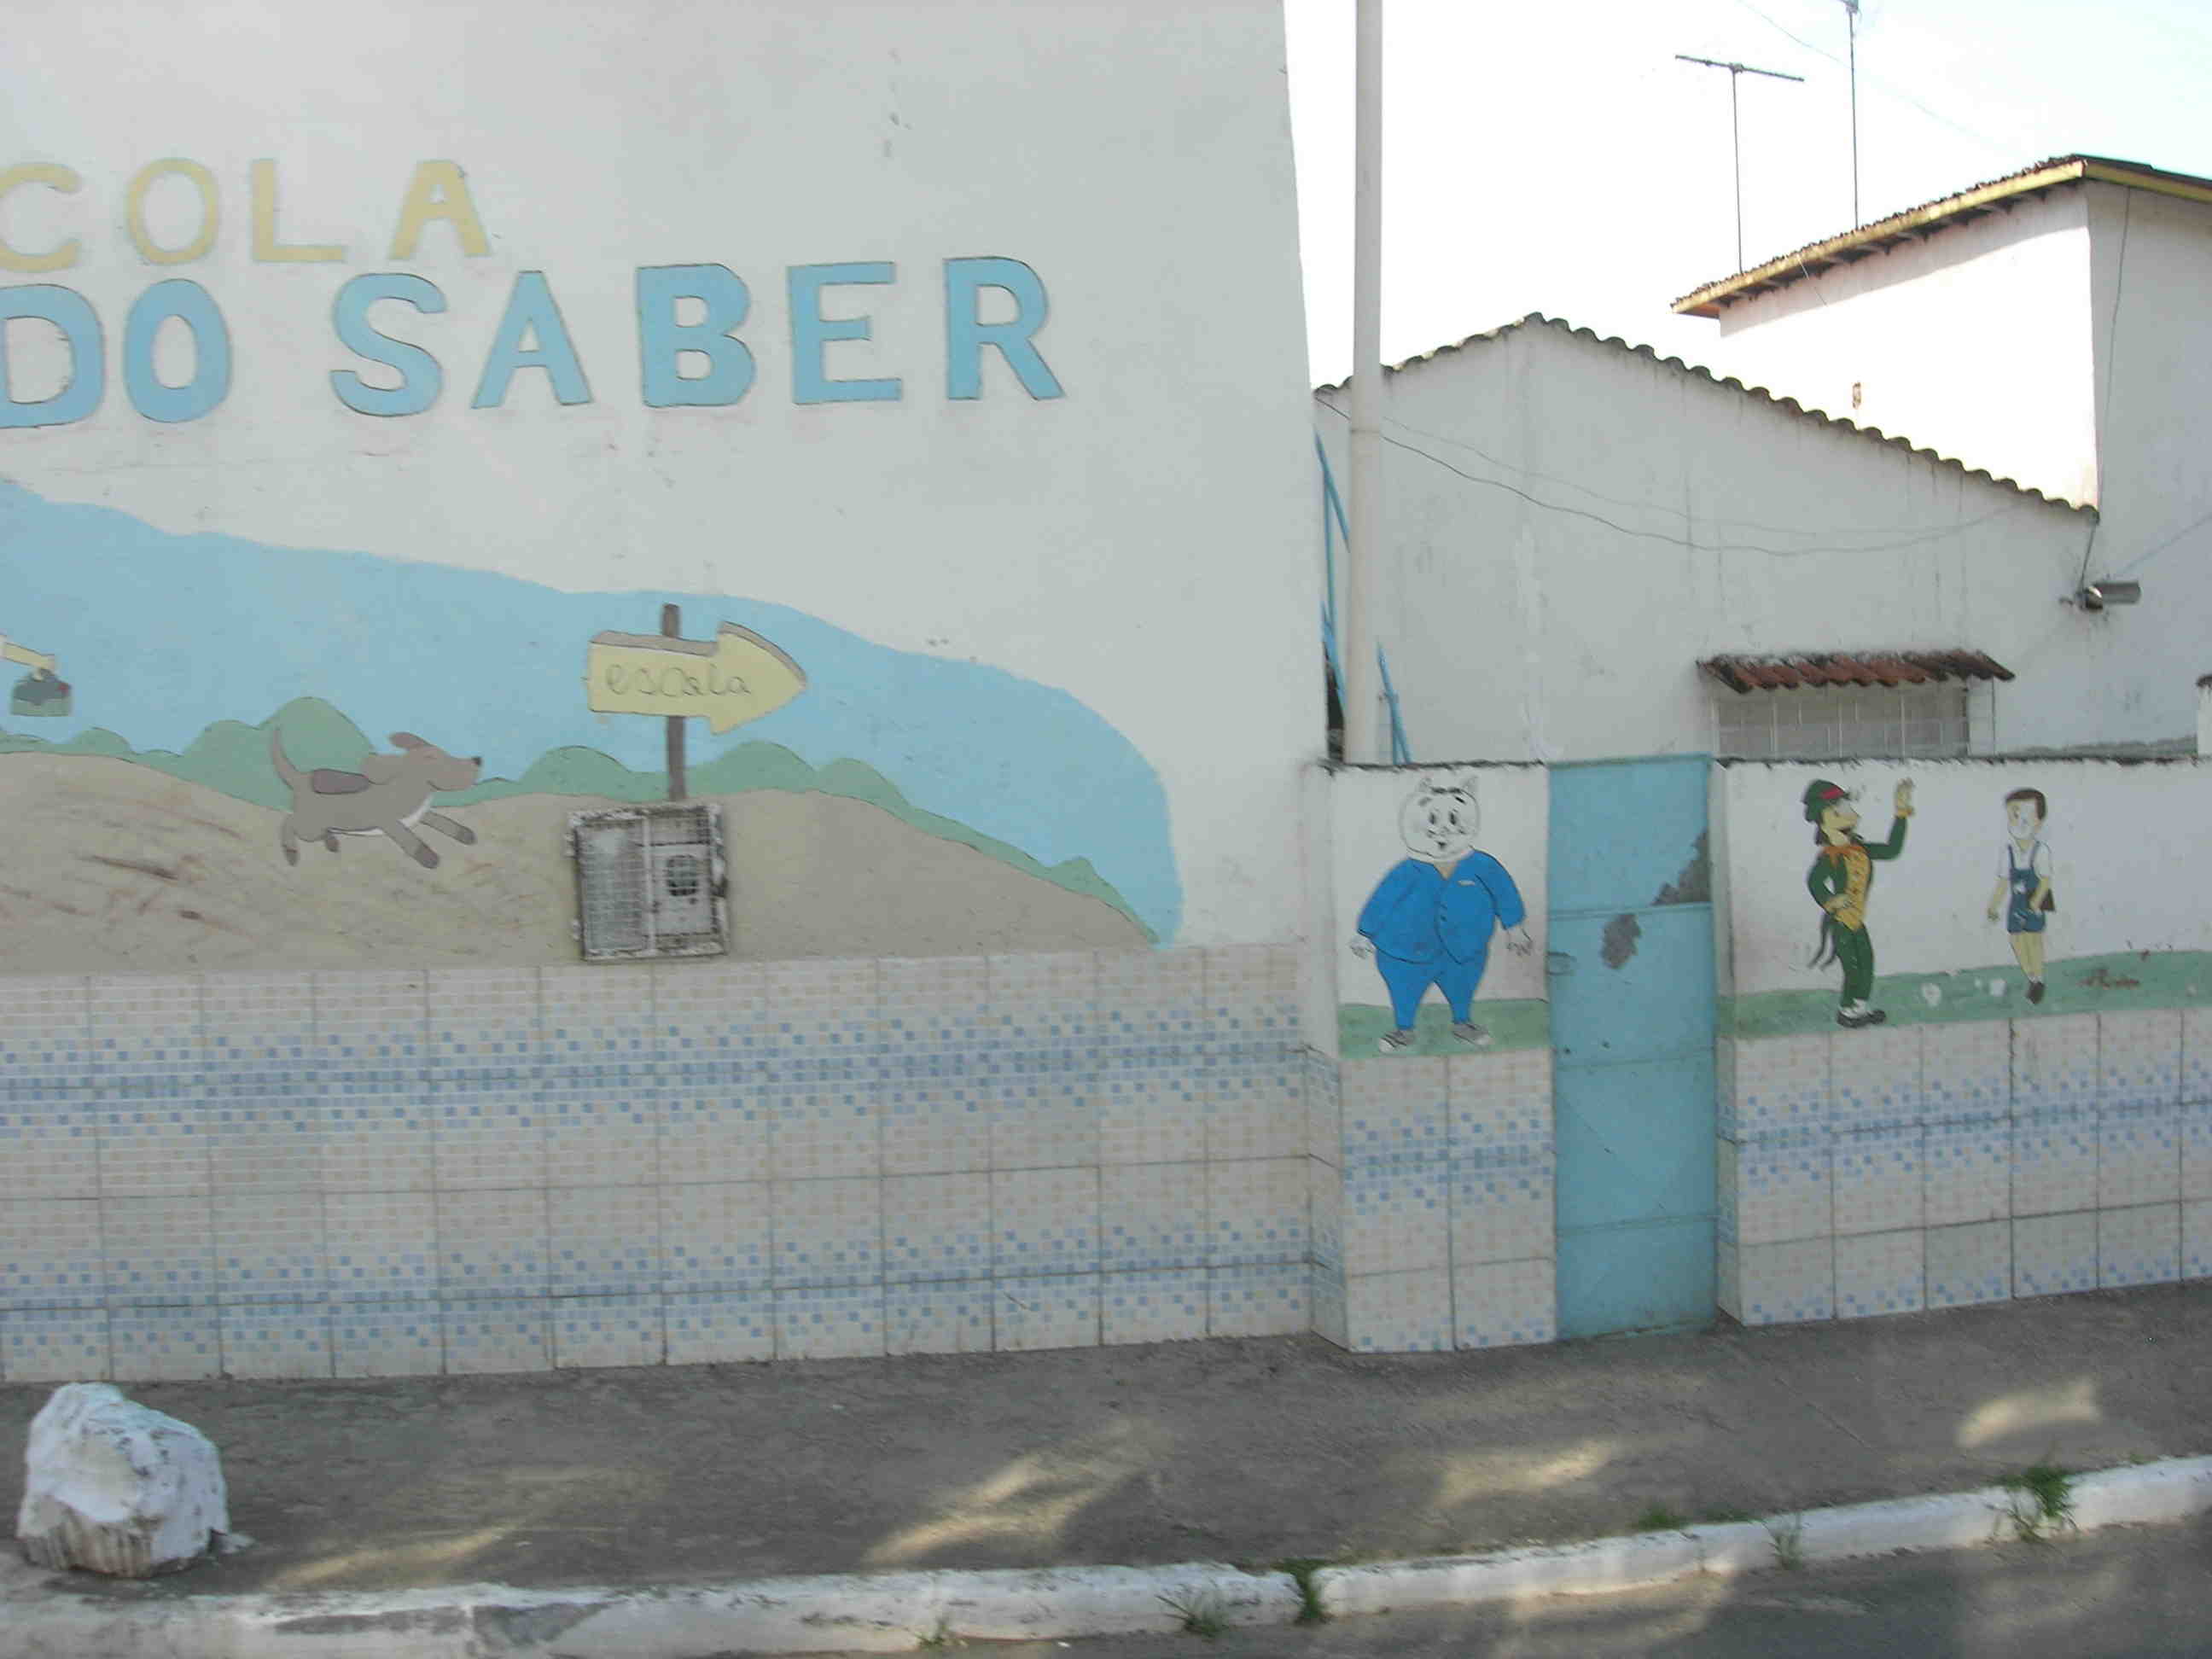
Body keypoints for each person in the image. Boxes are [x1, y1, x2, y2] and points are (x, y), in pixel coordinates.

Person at [1353, 775, 1533, 1053]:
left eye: (1453, 821)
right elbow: (1382, 900)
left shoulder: (1482, 865)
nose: (1443, 831)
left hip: (1463, 949)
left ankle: (1463, 1023)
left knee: (1462, 986)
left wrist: (1515, 928)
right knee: (1404, 989)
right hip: (1406, 951)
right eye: (1434, 821)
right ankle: (1403, 1029)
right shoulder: (1407, 870)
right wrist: (1365, 934)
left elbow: (1504, 892)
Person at [1804, 777, 1913, 1029]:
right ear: (1823, 821)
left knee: (1866, 962)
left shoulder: (1860, 849)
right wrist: (1831, 900)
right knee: (1852, 968)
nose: (1849, 815)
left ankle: (1860, 1008)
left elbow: (1892, 849)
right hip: (1841, 922)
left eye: (1846, 809)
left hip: (1857, 920)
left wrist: (1900, 812)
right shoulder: (1829, 857)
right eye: (1837, 812)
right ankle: (1847, 1010)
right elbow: (1814, 882)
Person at [1986, 786, 2054, 1004]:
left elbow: (2045, 881)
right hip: (2016, 904)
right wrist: (1993, 906)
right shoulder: (2008, 853)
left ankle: (2039, 978)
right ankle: (2032, 977)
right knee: (2016, 940)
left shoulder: (2041, 851)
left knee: (2034, 940)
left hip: (2035, 900)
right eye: (2014, 817)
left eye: (2026, 817)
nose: (2020, 823)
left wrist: (2036, 903)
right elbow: (2003, 882)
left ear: (2039, 822)